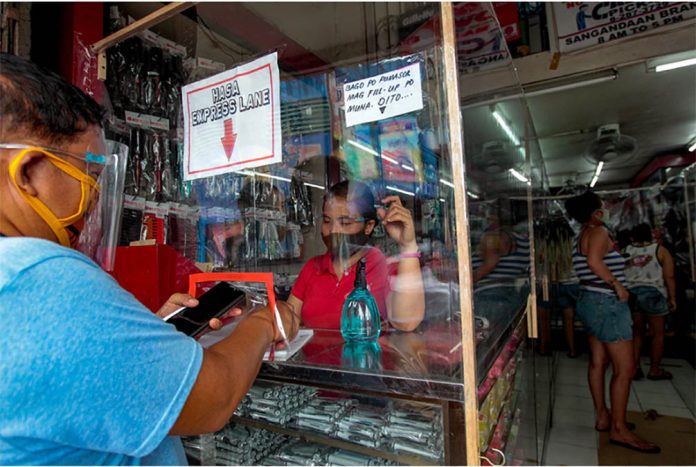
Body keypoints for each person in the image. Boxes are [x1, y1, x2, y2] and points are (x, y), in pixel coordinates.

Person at [0, 53, 298, 464]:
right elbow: (215, 397)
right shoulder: (42, 278)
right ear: (29, 172)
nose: (92, 203)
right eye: (90, 176)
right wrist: (265, 323)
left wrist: (148, 339)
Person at [565, 191, 659, 454]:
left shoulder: (581, 236)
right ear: (595, 212)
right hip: (606, 302)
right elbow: (595, 262)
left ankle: (604, 416)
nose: (606, 208)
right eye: (602, 205)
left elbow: (593, 262)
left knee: (599, 361)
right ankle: (619, 429)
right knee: (625, 368)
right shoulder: (599, 232)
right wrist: (616, 284)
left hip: (590, 299)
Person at [287, 180, 425, 332]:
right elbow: (288, 319)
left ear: (368, 226)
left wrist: (408, 246)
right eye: (327, 221)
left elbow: (406, 322)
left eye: (345, 223)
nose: (333, 230)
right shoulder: (312, 268)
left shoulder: (382, 266)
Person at [624, 222, 677, 380]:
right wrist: (672, 298)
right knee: (658, 334)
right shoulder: (660, 251)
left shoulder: (626, 250)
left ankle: (635, 368)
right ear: (650, 235)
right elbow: (669, 276)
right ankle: (654, 369)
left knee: (636, 333)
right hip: (654, 294)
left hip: (632, 294)